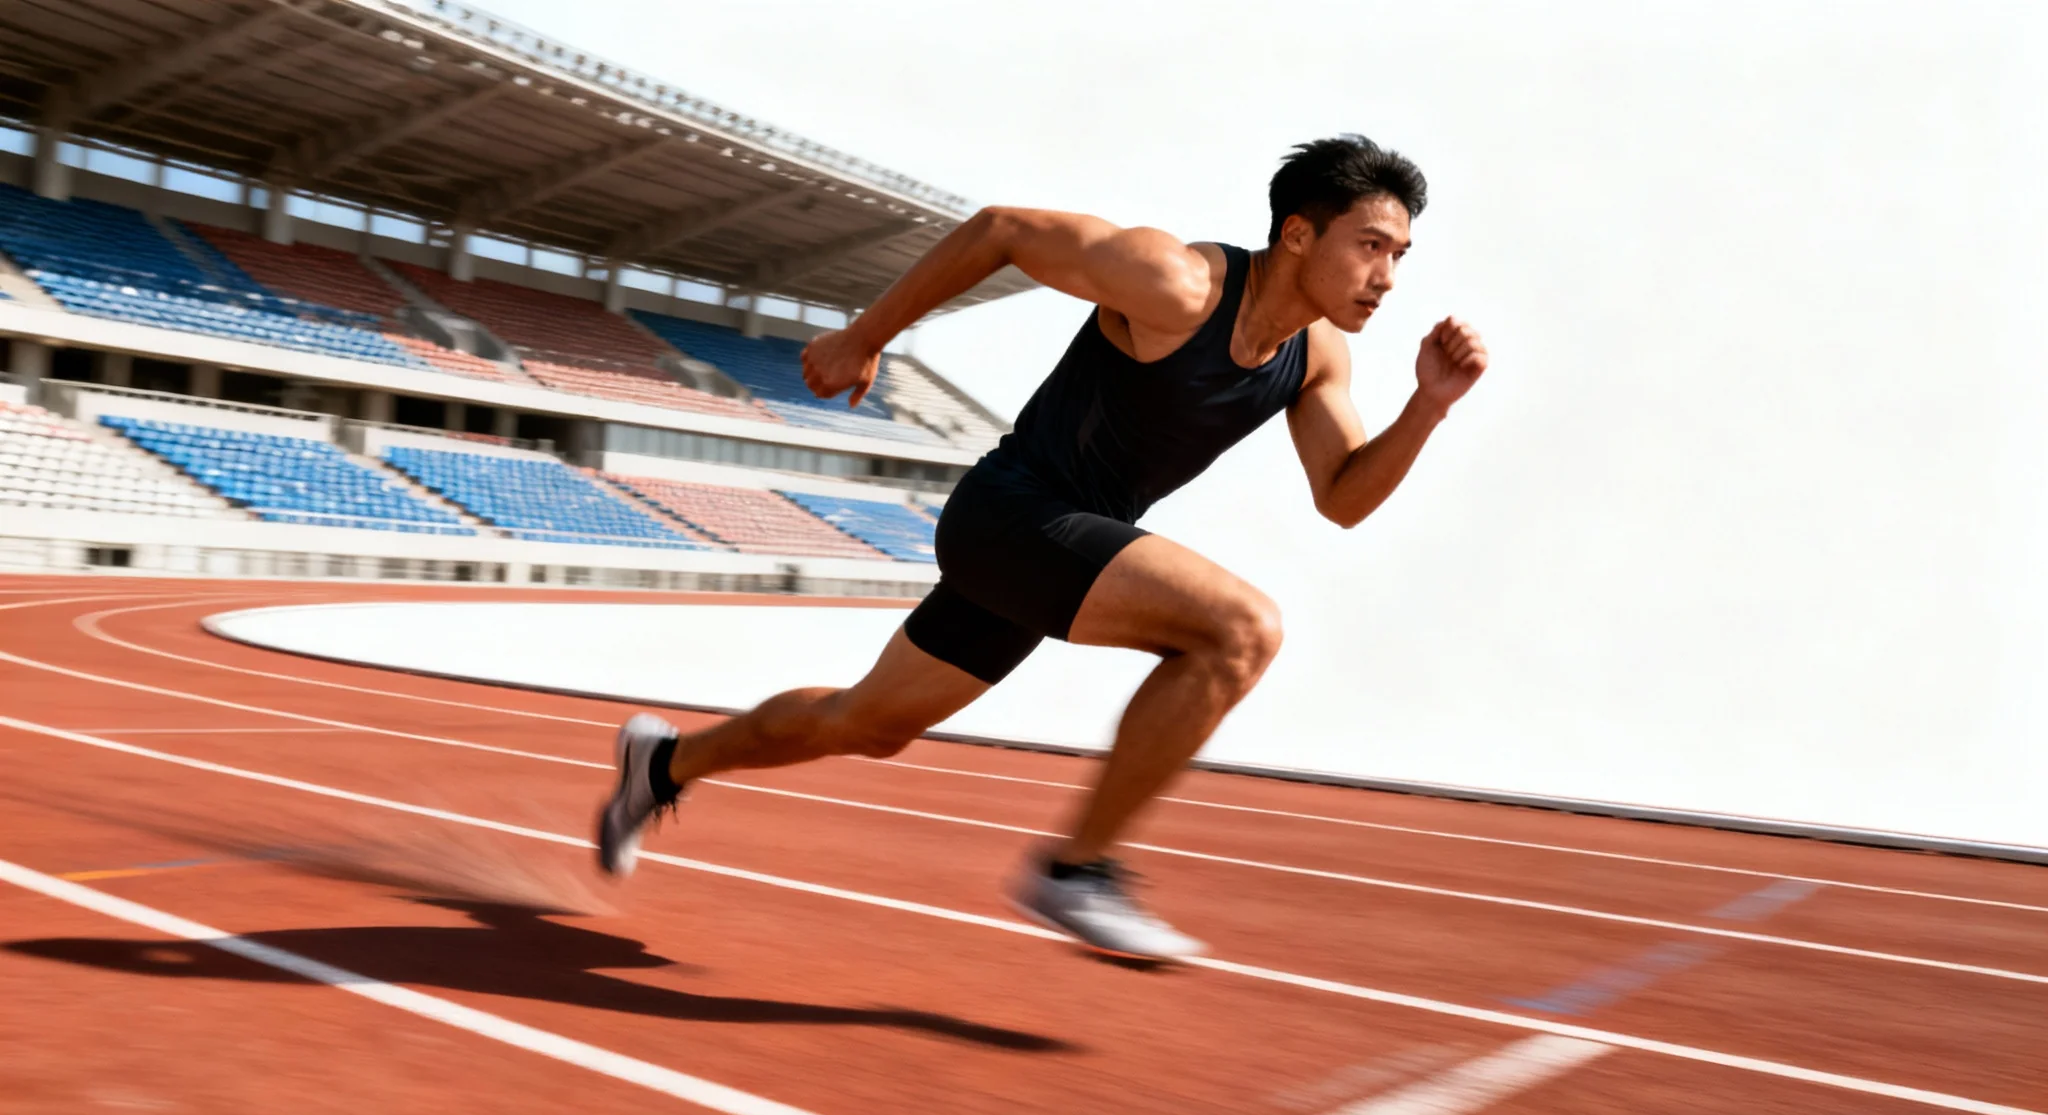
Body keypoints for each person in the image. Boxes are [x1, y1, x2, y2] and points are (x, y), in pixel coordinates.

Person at [596, 134, 1489, 961]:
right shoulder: (1180, 285)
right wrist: (864, 336)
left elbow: (1343, 498)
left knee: (866, 724)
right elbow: (1005, 230)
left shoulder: (1318, 357)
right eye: (1371, 245)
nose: (1388, 276)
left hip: (1055, 549)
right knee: (1239, 629)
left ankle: (664, 762)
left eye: (1400, 255)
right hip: (1010, 514)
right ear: (1298, 234)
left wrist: (1428, 406)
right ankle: (1077, 870)